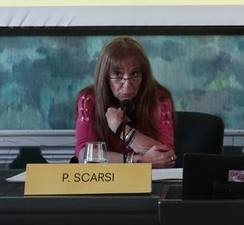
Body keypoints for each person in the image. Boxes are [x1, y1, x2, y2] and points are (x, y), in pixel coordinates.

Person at [75, 37, 177, 166]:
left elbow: (166, 156)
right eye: (118, 75)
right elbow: (85, 155)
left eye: (134, 74)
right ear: (105, 77)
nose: (127, 86)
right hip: (105, 177)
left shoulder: (160, 98)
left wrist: (120, 128)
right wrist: (137, 160)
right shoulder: (89, 99)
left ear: (144, 76)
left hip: (151, 177)